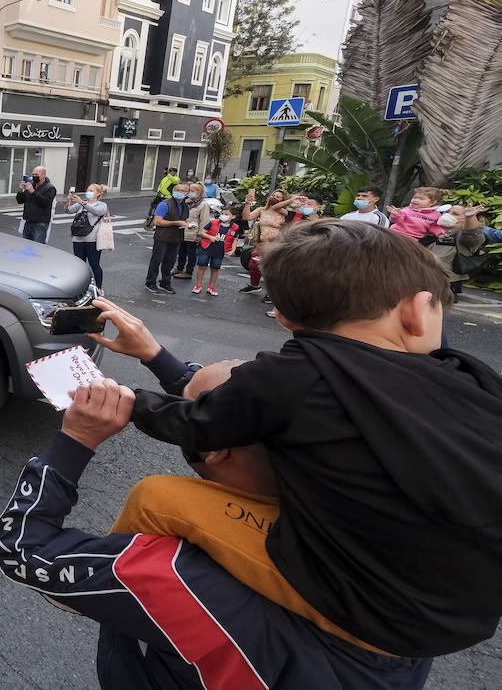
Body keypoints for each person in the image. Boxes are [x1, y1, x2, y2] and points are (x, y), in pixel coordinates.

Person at [124, 220, 502, 659]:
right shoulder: (470, 377)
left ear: (283, 317)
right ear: (418, 310)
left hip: (369, 610)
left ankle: (110, 586)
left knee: (156, 496)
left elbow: (199, 421)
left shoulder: (297, 375)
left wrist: (128, 400)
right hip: (465, 616)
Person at [0, 374, 432, 689]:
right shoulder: (402, 561)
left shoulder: (174, 577)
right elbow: (254, 404)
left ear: (217, 450)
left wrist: (74, 440)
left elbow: (23, 551)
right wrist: (158, 359)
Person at [239, 188, 292, 294]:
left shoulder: (284, 212)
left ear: (283, 200)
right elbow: (246, 217)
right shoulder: (262, 210)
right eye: (273, 196)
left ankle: (272, 293)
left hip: (277, 244)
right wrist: (248, 204)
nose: (274, 198)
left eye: (278, 197)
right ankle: (254, 286)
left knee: (273, 269)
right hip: (263, 243)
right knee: (253, 265)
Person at [427, 203, 487, 295]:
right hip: (418, 278)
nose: (447, 215)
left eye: (455, 214)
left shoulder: (461, 236)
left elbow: (472, 234)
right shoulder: (429, 230)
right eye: (447, 212)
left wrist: (470, 217)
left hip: (444, 283)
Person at [144, 181, 190, 294]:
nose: (179, 192)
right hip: (162, 237)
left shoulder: (185, 206)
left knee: (170, 262)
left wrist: (188, 224)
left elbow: (183, 220)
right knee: (156, 261)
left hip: (176, 238)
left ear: (187, 193)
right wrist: (175, 223)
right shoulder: (165, 204)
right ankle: (150, 282)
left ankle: (165, 282)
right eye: (177, 190)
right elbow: (157, 221)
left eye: (182, 191)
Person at [66, 184, 108, 290]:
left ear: (98, 193)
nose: (88, 192)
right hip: (77, 239)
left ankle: (98, 288)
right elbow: (68, 210)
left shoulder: (101, 205)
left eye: (91, 190)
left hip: (92, 240)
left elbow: (97, 212)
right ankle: (81, 288)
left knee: (94, 264)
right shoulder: (80, 205)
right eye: (88, 190)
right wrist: (69, 200)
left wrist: (82, 202)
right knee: (80, 266)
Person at [191, 204, 237, 295]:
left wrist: (233, 250)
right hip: (206, 247)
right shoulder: (213, 222)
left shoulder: (235, 227)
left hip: (219, 250)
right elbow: (202, 232)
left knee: (215, 268)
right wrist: (210, 237)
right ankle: (198, 285)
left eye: (227, 214)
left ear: (233, 216)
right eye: (222, 213)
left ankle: (211, 287)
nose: (223, 215)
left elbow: (235, 239)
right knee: (202, 266)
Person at [172, 185, 210, 280]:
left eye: (193, 191)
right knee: (181, 251)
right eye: (190, 190)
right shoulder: (187, 202)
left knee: (191, 253)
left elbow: (204, 221)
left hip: (193, 234)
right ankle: (179, 268)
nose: (190, 192)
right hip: (183, 232)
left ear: (199, 192)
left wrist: (200, 235)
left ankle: (189, 272)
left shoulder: (203, 204)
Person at [15, 165, 56, 244]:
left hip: (40, 223)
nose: (34, 176)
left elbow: (45, 202)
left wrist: (33, 192)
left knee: (38, 247)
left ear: (43, 175)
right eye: (33, 174)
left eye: (36, 175)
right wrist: (20, 190)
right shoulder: (31, 185)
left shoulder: (50, 188)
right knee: (26, 246)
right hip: (28, 221)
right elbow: (20, 200)